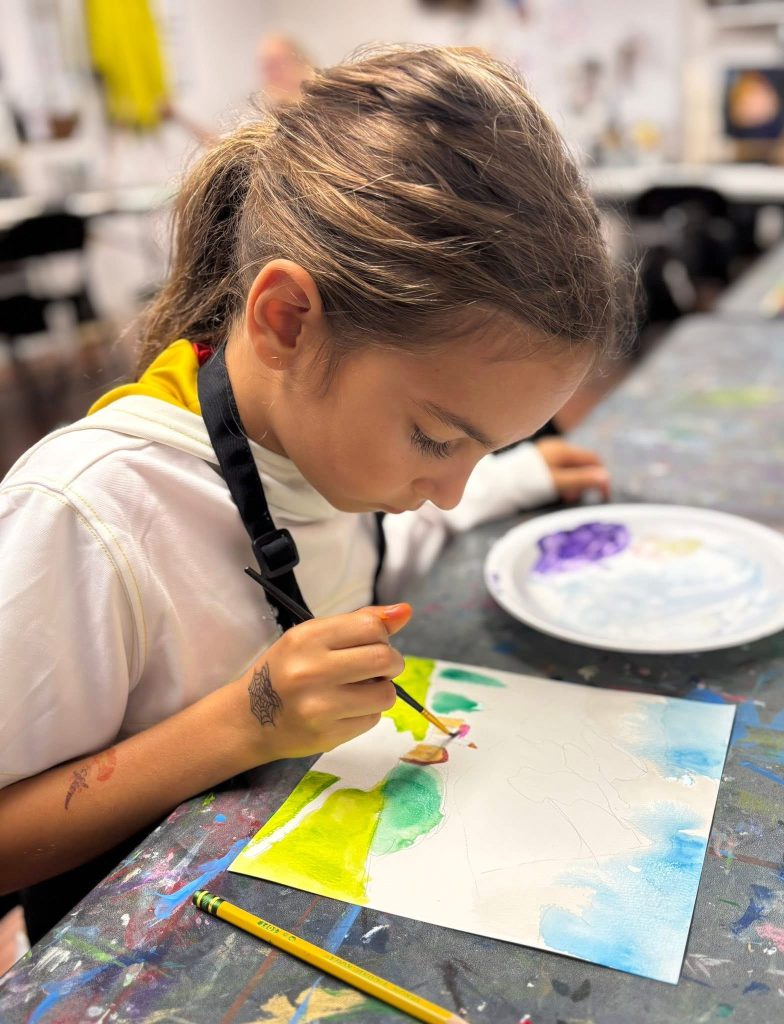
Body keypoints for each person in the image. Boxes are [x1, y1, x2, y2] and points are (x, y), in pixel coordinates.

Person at [0, 45, 622, 941]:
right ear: (287, 321)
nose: (447, 492)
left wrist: (508, 479)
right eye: (438, 440)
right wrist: (242, 724)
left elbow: (364, 554)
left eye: (484, 450)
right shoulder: (89, 515)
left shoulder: (328, 448)